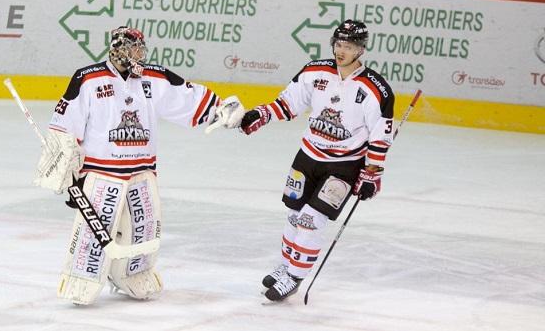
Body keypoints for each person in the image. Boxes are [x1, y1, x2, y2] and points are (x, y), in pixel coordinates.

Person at [34, 26, 243, 305]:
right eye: (133, 49)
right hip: (101, 172)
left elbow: (185, 97)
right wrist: (65, 167)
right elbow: (64, 125)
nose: (139, 55)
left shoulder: (153, 77)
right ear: (119, 48)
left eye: (140, 49)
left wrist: (219, 109)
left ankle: (131, 275)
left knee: (143, 229)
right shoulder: (88, 78)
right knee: (93, 234)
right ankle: (81, 278)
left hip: (142, 172)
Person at [239, 20, 395, 301]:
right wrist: (262, 114)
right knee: (295, 214)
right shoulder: (315, 71)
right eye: (338, 44)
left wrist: (371, 173)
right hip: (308, 156)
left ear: (361, 49)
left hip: (345, 165)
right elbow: (288, 103)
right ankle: (287, 265)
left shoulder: (376, 89)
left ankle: (295, 276)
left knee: (312, 218)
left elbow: (380, 136)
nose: (341, 51)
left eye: (348, 46)